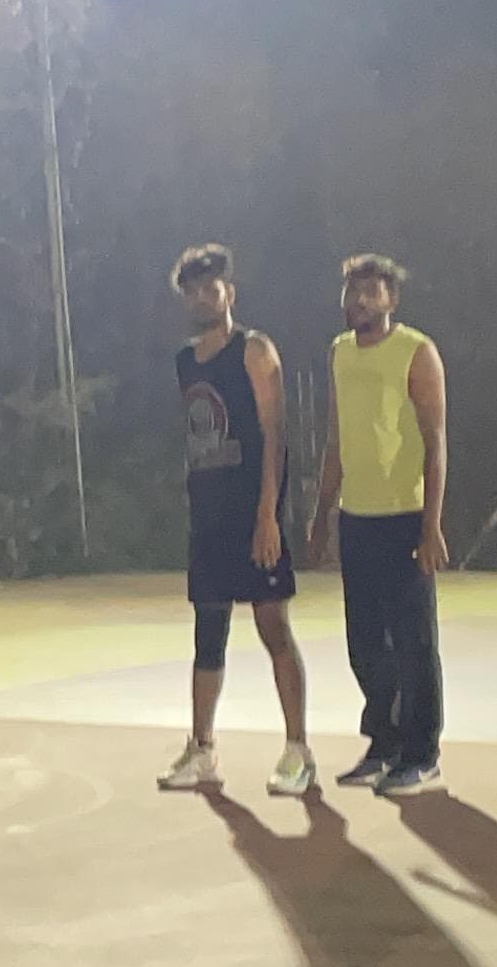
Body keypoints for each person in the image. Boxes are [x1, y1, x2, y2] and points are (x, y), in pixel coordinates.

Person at [162, 244, 314, 798]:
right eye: (194, 291)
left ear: (230, 292)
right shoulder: (185, 362)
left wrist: (268, 515)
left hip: (254, 518)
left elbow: (274, 435)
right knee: (208, 633)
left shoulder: (253, 350)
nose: (204, 297)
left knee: (273, 628)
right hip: (209, 520)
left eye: (212, 288)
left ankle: (297, 750)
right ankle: (202, 748)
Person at [310, 253, 449, 796]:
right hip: (358, 518)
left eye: (370, 291)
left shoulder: (417, 352)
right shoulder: (340, 353)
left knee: (414, 643)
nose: (359, 301)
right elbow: (336, 438)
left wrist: (431, 525)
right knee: (364, 643)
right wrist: (322, 515)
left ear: (392, 298)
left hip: (405, 517)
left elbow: (436, 442)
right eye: (352, 291)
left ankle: (422, 753)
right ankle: (384, 743)